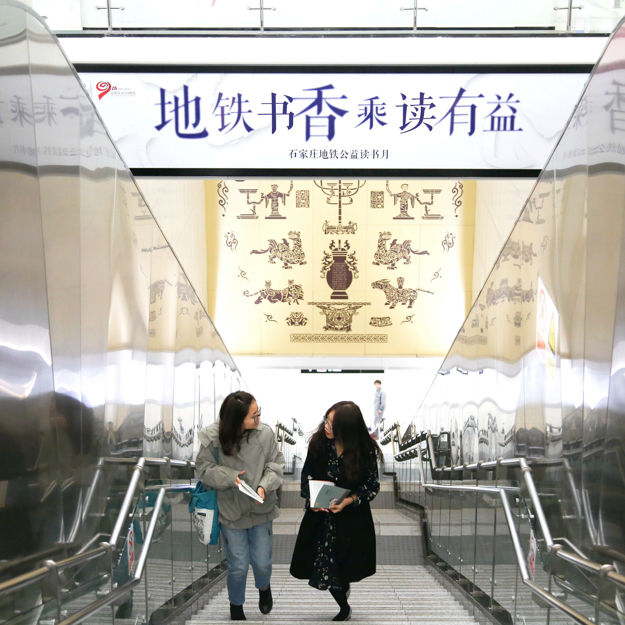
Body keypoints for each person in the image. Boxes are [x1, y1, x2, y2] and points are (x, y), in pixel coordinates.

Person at [290, 400, 383, 621]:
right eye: (326, 421)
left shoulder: (365, 450)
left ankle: (343, 587)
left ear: (347, 429)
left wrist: (349, 500)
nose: (326, 426)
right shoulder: (319, 443)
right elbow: (307, 475)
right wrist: (313, 497)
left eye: (332, 424)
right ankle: (343, 606)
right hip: (322, 518)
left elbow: (372, 485)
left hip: (351, 519)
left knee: (343, 566)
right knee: (327, 567)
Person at [196, 391, 284, 621]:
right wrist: (230, 477)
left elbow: (276, 465)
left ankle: (264, 587)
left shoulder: (265, 434)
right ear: (236, 420)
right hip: (231, 511)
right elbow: (203, 469)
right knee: (238, 565)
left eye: (258, 412)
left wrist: (264, 486)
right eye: (253, 415)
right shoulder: (212, 437)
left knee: (262, 563)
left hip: (261, 509)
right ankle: (236, 605)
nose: (258, 418)